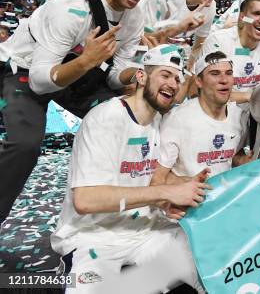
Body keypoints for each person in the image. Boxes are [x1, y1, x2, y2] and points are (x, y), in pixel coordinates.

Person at [0, 0, 156, 224]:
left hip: (77, 71)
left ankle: (110, 211)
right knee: (25, 146)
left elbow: (112, 75)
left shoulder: (134, 15)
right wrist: (87, 60)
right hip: (25, 70)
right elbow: (39, 81)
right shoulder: (70, 7)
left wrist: (136, 74)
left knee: (125, 118)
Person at [51, 45, 207, 292]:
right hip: (94, 236)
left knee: (209, 268)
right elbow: (85, 200)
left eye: (178, 79)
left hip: (145, 230)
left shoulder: (159, 120)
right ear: (142, 77)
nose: (173, 84)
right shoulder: (105, 118)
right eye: (165, 75)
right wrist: (163, 194)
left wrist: (172, 194)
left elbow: (143, 181)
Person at [151, 51, 251, 190]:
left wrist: (242, 161)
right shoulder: (177, 119)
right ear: (199, 81)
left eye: (228, 73)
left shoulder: (240, 116)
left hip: (226, 198)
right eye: (215, 74)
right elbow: (157, 178)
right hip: (189, 205)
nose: (224, 79)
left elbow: (229, 158)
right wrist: (188, 183)